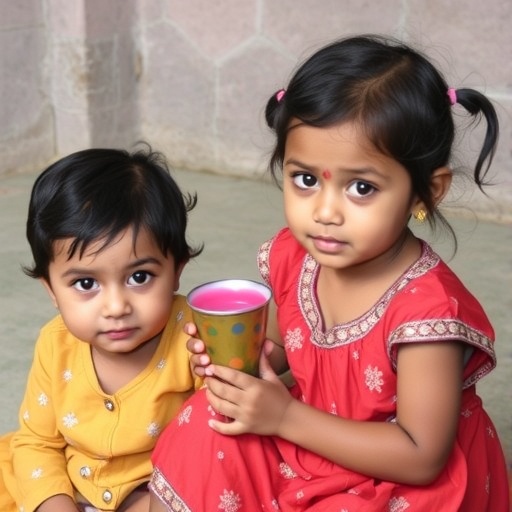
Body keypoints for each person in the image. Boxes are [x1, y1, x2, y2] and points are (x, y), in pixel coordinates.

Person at [148, 35, 509, 511]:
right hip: (313, 440)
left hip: (393, 478)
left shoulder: (427, 313)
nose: (324, 212)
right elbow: (285, 348)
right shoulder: (295, 258)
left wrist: (284, 417)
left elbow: (422, 456)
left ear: (427, 191)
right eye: (305, 179)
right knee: (206, 421)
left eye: (361, 188)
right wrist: (241, 364)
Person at [0, 145, 204, 512]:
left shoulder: (196, 336)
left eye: (139, 277)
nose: (115, 307)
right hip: (76, 486)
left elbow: (220, 444)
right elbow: (38, 443)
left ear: (177, 270)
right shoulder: (56, 343)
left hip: (163, 492)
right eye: (85, 284)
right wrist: (57, 504)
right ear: (51, 290)